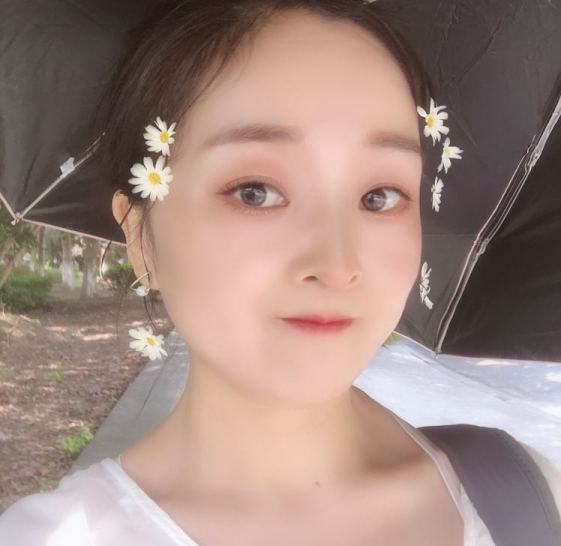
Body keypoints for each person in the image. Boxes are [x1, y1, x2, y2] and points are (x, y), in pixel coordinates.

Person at [1, 1, 560, 545]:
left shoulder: (527, 498)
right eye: (255, 192)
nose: (337, 266)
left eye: (380, 195)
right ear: (141, 236)